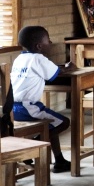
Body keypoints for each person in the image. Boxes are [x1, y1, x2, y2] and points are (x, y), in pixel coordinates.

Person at [11, 26, 72, 173]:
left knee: (52, 123)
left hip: (13, 108)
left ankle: (59, 160)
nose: (50, 42)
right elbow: (58, 72)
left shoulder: (19, 58)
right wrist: (69, 66)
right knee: (63, 122)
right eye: (48, 40)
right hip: (29, 108)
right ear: (39, 46)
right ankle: (30, 149)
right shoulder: (38, 58)